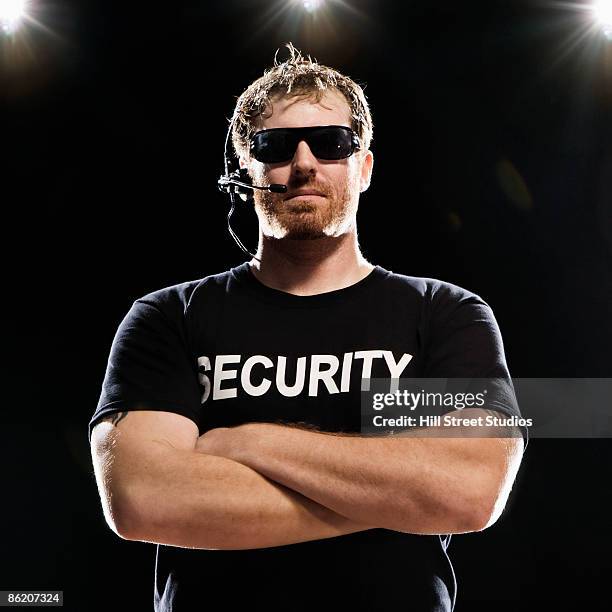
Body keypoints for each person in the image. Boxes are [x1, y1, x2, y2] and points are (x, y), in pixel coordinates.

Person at [89, 44, 526, 612]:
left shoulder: (444, 314)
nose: (303, 164)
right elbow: (142, 499)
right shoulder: (168, 317)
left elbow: (467, 491)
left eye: (330, 143)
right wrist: (393, 495)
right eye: (275, 147)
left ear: (363, 166)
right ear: (246, 171)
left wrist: (245, 441)